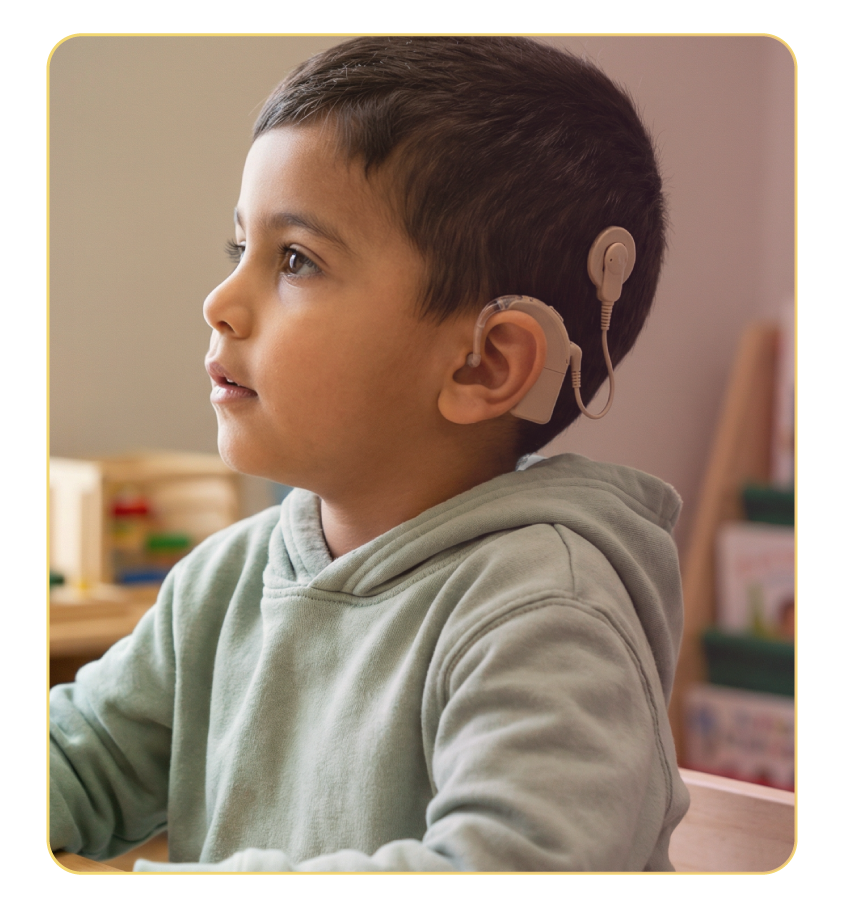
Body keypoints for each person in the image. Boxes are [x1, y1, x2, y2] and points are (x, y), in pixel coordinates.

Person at [50, 36, 690, 872]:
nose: (220, 302)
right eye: (238, 249)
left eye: (296, 261)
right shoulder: (225, 582)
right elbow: (79, 759)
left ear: (486, 363)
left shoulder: (547, 616)